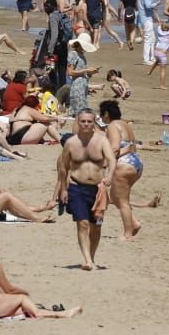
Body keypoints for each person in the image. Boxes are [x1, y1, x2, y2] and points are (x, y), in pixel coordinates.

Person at [56, 109, 114, 271]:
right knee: (82, 223)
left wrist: (109, 175)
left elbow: (112, 160)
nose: (86, 124)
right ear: (78, 122)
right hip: (76, 187)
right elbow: (63, 167)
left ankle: (92, 258)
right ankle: (87, 260)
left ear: (93, 122)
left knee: (96, 226)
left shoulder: (102, 141)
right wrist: (63, 189)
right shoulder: (71, 143)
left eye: (89, 121)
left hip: (98, 190)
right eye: (83, 122)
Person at [100, 99, 159, 240]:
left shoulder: (113, 126)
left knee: (123, 201)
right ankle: (134, 223)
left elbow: (114, 148)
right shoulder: (125, 125)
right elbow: (130, 146)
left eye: (101, 114)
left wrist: (105, 164)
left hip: (124, 165)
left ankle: (128, 234)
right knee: (115, 197)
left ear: (106, 114)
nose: (101, 118)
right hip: (136, 163)